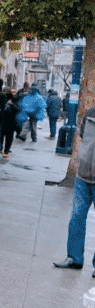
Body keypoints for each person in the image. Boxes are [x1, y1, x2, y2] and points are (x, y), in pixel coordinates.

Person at [54, 106, 95, 273]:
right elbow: (82, 135)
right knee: (76, 218)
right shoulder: (90, 114)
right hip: (83, 177)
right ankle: (74, 258)